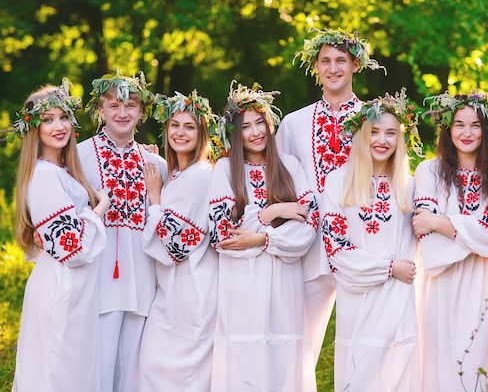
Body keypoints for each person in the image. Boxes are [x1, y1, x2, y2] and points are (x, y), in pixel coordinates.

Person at [276, 27, 386, 363]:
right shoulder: (294, 123)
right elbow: (275, 180)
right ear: (316, 67)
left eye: (341, 60)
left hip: (365, 243)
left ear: (355, 64)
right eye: (325, 61)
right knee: (300, 342)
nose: (333, 67)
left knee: (369, 343)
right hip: (309, 248)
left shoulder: (377, 119)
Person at [208, 81, 319, 391]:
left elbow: (309, 226)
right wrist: (270, 214)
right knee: (245, 355)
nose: (255, 132)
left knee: (283, 354)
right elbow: (222, 236)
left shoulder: (289, 167)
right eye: (246, 127)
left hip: (284, 283)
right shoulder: (225, 170)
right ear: (235, 133)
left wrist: (261, 238)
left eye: (261, 123)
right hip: (242, 284)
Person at [412, 91, 488, 391]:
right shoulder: (428, 172)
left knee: (476, 368)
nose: (467, 132)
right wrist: (475, 238)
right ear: (448, 128)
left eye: (475, 125)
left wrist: (440, 222)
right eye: (459, 124)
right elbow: (425, 237)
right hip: (437, 284)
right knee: (435, 368)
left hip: (481, 285)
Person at [11, 79, 110, 391]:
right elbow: (72, 248)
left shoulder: (64, 174)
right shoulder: (43, 175)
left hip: (76, 289)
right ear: (34, 128)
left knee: (73, 373)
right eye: (48, 119)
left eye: (64, 117)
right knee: (56, 375)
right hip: (60, 288)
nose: (59, 126)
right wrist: (99, 210)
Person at [321, 89, 423, 392]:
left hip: (398, 301)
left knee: (397, 375)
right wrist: (389, 268)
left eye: (391, 133)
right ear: (362, 134)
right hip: (358, 297)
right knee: (359, 377)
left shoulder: (410, 186)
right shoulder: (338, 181)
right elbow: (336, 250)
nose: (382, 140)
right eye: (375, 132)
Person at [80, 69, 167, 392]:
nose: (122, 112)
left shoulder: (156, 164)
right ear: (100, 110)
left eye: (130, 105)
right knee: (99, 359)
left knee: (133, 363)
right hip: (98, 272)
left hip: (142, 273)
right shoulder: (80, 155)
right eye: (113, 105)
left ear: (141, 113)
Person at [138, 91, 219, 391]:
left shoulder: (201, 175)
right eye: (174, 125)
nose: (180, 133)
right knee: (151, 369)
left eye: (189, 126)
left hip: (193, 291)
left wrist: (155, 198)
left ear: (202, 133)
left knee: (184, 377)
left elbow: (176, 246)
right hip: (170, 292)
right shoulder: (174, 173)